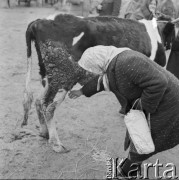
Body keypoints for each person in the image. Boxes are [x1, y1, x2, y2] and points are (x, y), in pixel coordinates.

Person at [68, 45, 179, 178]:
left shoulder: (126, 62)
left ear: (99, 62)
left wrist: (143, 108)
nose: (95, 71)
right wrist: (82, 91)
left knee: (144, 136)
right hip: (160, 100)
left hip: (168, 103)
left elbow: (159, 83)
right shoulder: (113, 62)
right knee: (140, 136)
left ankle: (125, 173)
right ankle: (132, 168)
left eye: (94, 68)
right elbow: (104, 81)